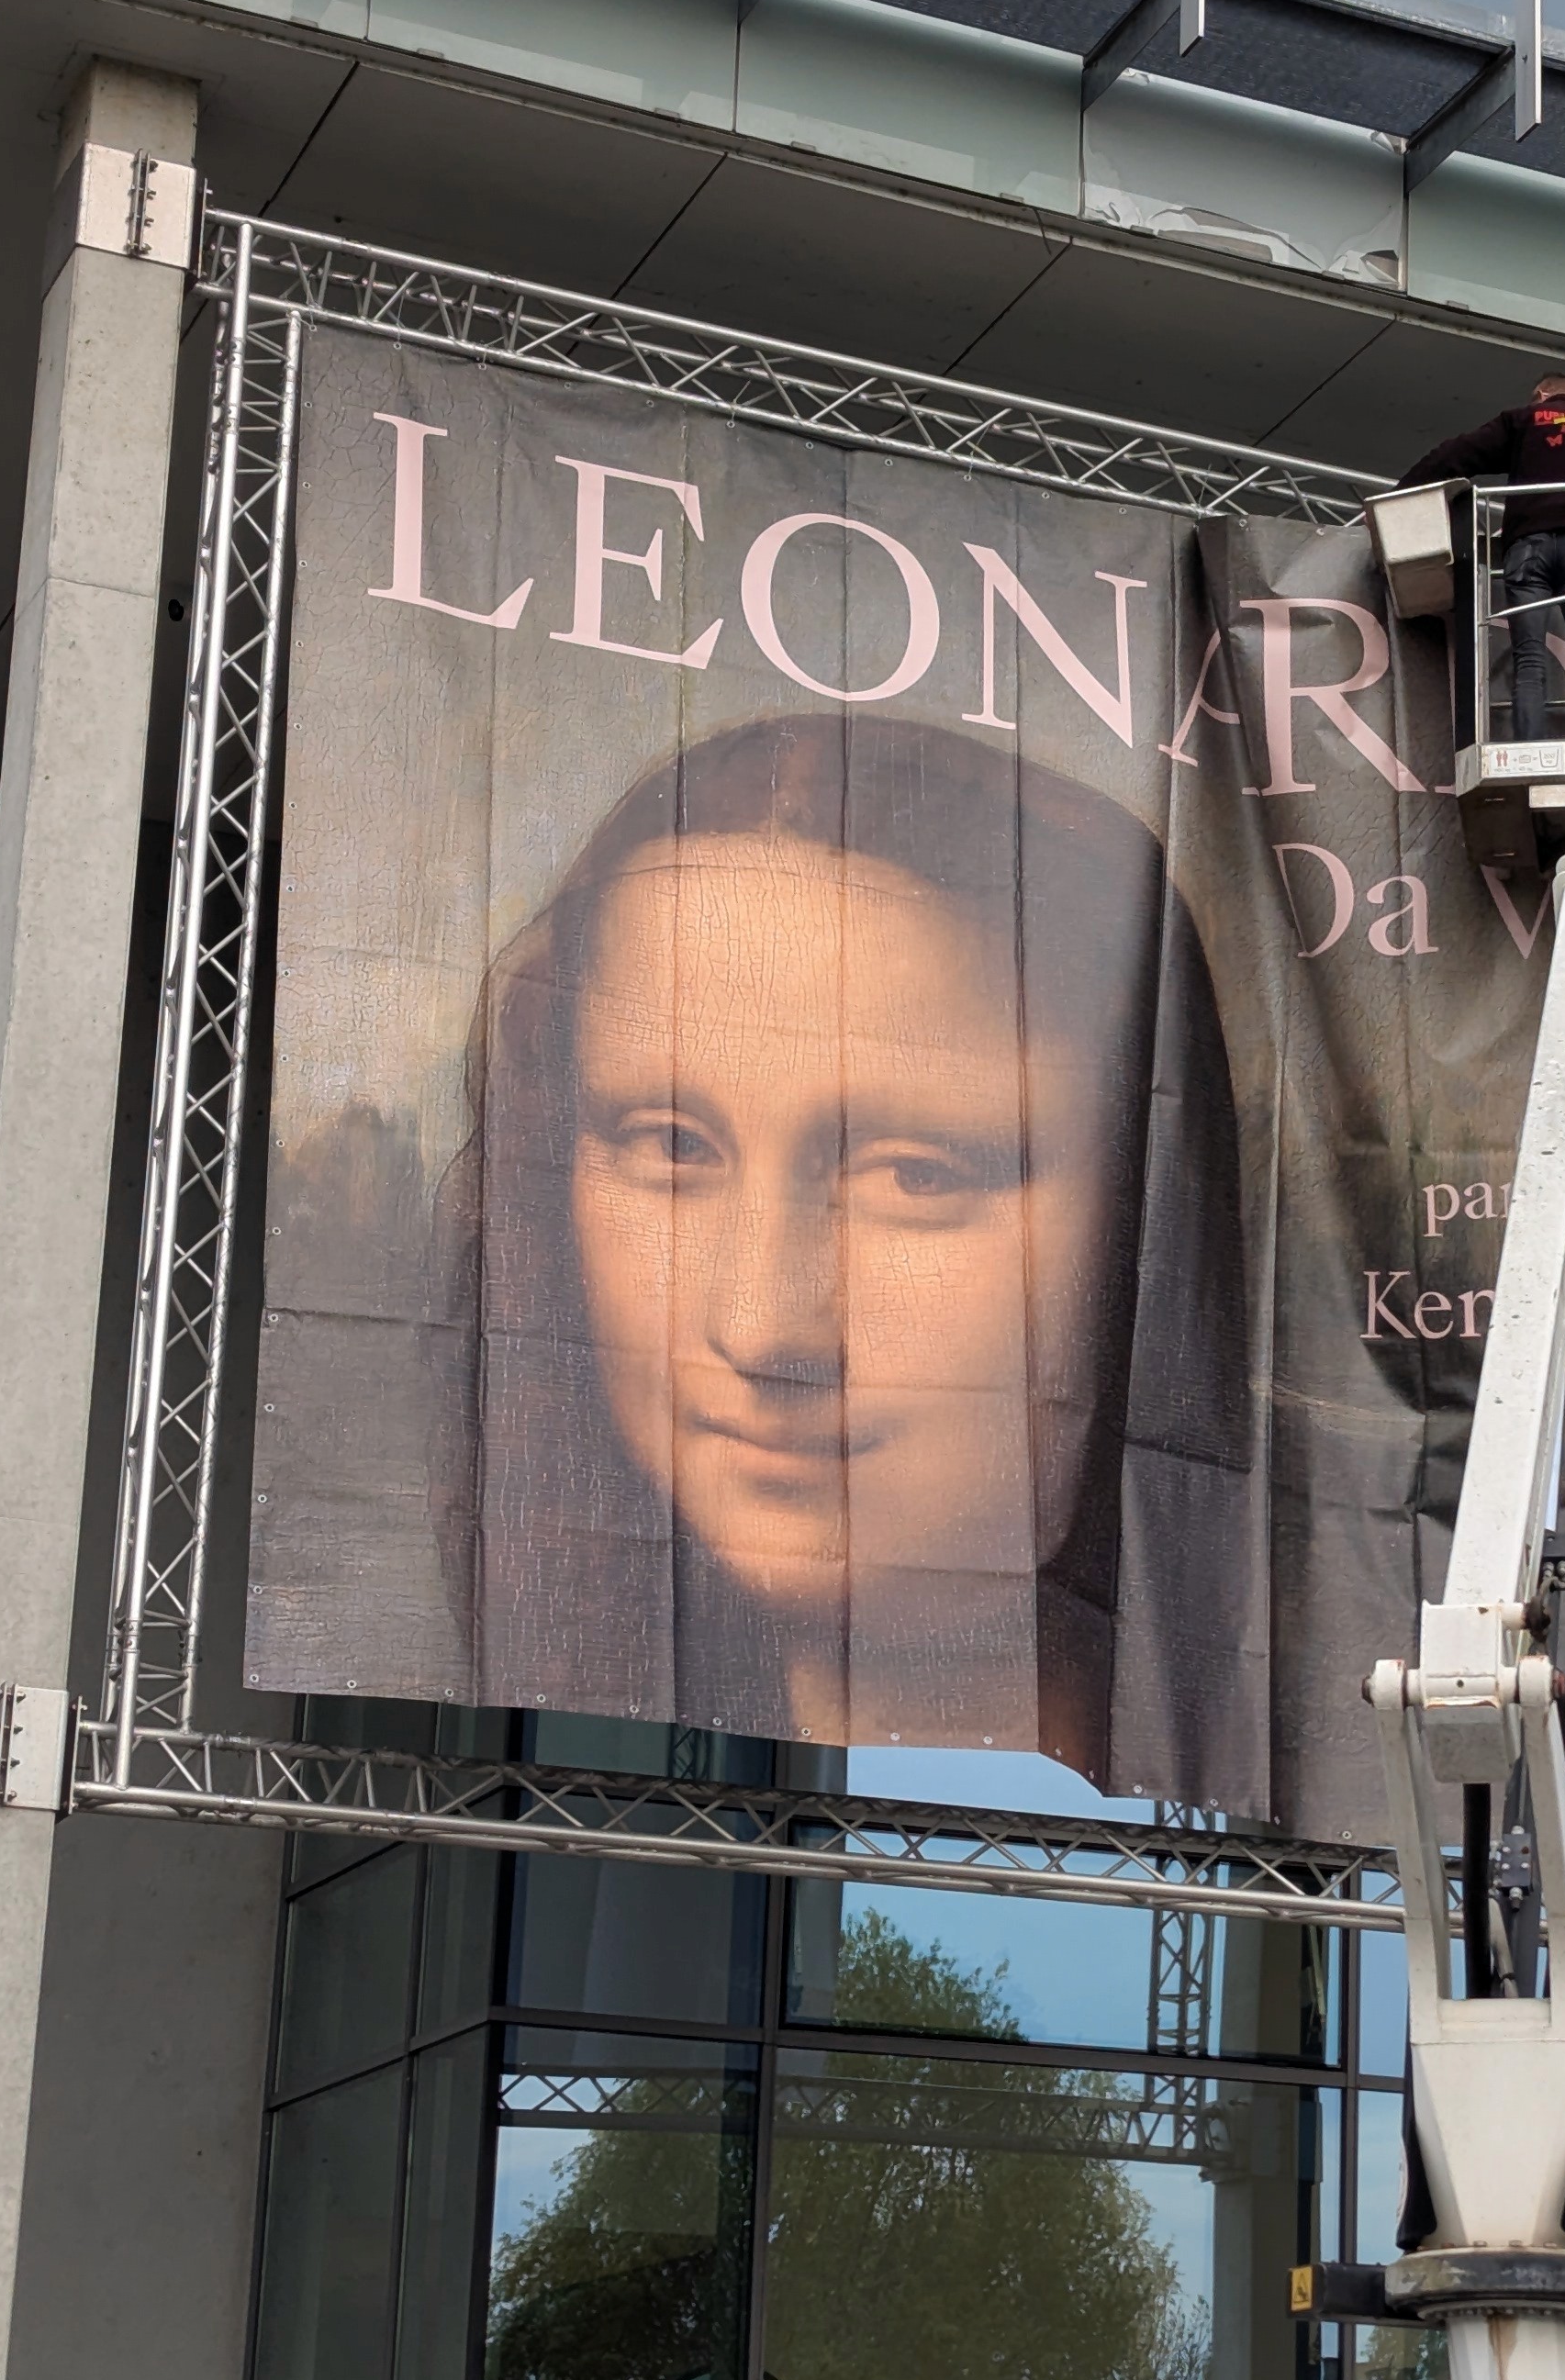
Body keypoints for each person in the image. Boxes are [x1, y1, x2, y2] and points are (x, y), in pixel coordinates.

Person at [434, 713, 1246, 1777]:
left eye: (917, 1174)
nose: (762, 1324)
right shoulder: (548, 1785)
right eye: (670, 1146)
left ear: (1144, 1224)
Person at [1403, 370, 1565, 740]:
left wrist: (1401, 492)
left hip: (1528, 548)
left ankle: (1529, 755)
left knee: (1529, 661)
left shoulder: (1521, 420)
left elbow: (1453, 454)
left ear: (1541, 394)